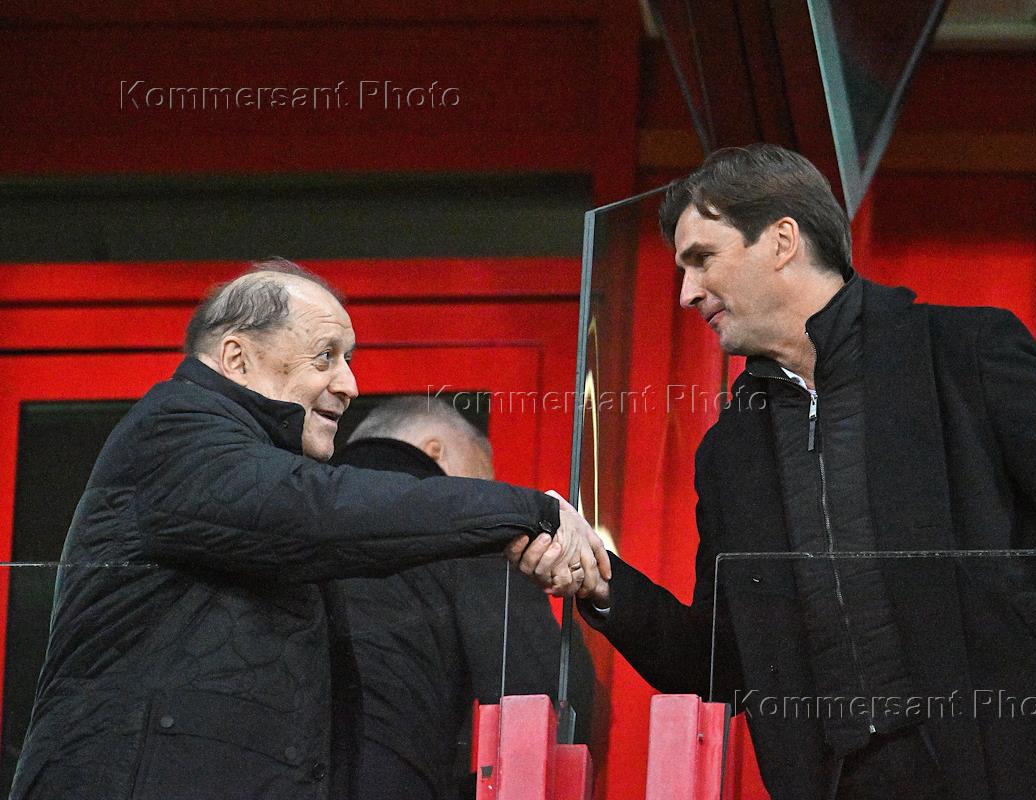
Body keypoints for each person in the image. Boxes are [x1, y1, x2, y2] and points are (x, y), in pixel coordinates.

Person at [566, 145, 1036, 800]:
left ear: (782, 241)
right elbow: (721, 662)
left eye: (702, 258)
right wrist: (600, 581)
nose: (687, 293)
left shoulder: (963, 352)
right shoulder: (730, 451)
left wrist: (1027, 644)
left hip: (1010, 770)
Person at [10, 259, 607, 800]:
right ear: (236, 359)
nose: (349, 384)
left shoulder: (261, 482)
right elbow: (320, 507)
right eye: (325, 357)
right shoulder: (176, 429)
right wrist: (527, 511)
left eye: (349, 360)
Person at [331, 396, 594, 799]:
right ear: (435, 450)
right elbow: (541, 689)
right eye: (482, 479)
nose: (483, 494)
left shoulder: (300, 513)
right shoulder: (462, 523)